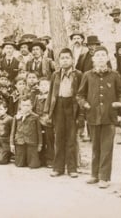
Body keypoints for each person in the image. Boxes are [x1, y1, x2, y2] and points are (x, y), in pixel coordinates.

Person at [77, 46, 121, 189]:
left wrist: (119, 103)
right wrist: (85, 104)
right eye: (98, 56)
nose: (101, 58)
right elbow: (80, 95)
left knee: (107, 147)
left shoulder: (115, 75)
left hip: (109, 117)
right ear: (93, 59)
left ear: (108, 58)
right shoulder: (88, 75)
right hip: (93, 116)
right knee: (95, 146)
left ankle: (104, 177)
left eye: (104, 55)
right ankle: (94, 175)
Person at [46, 48, 83, 178]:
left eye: (67, 58)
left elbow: (81, 95)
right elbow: (51, 94)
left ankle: (72, 168)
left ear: (72, 60)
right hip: (59, 107)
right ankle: (58, 167)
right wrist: (48, 112)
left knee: (71, 138)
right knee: (59, 138)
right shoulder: (55, 75)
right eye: (62, 58)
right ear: (59, 60)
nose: (65, 60)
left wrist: (81, 115)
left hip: (72, 107)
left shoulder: (78, 75)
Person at [10, 96, 42, 169]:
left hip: (32, 143)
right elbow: (13, 131)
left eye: (28, 105)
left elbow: (39, 132)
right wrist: (12, 144)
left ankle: (33, 159)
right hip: (20, 142)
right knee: (19, 164)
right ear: (20, 106)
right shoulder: (16, 117)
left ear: (31, 106)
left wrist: (40, 144)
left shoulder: (35, 117)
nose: (25, 107)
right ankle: (21, 158)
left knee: (34, 165)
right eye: (23, 105)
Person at [34, 78, 54, 168]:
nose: (43, 87)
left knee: (49, 141)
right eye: (41, 85)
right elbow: (34, 108)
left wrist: (48, 118)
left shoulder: (52, 98)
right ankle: (41, 159)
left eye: (46, 85)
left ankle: (50, 159)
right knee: (40, 140)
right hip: (38, 121)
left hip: (48, 121)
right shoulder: (37, 97)